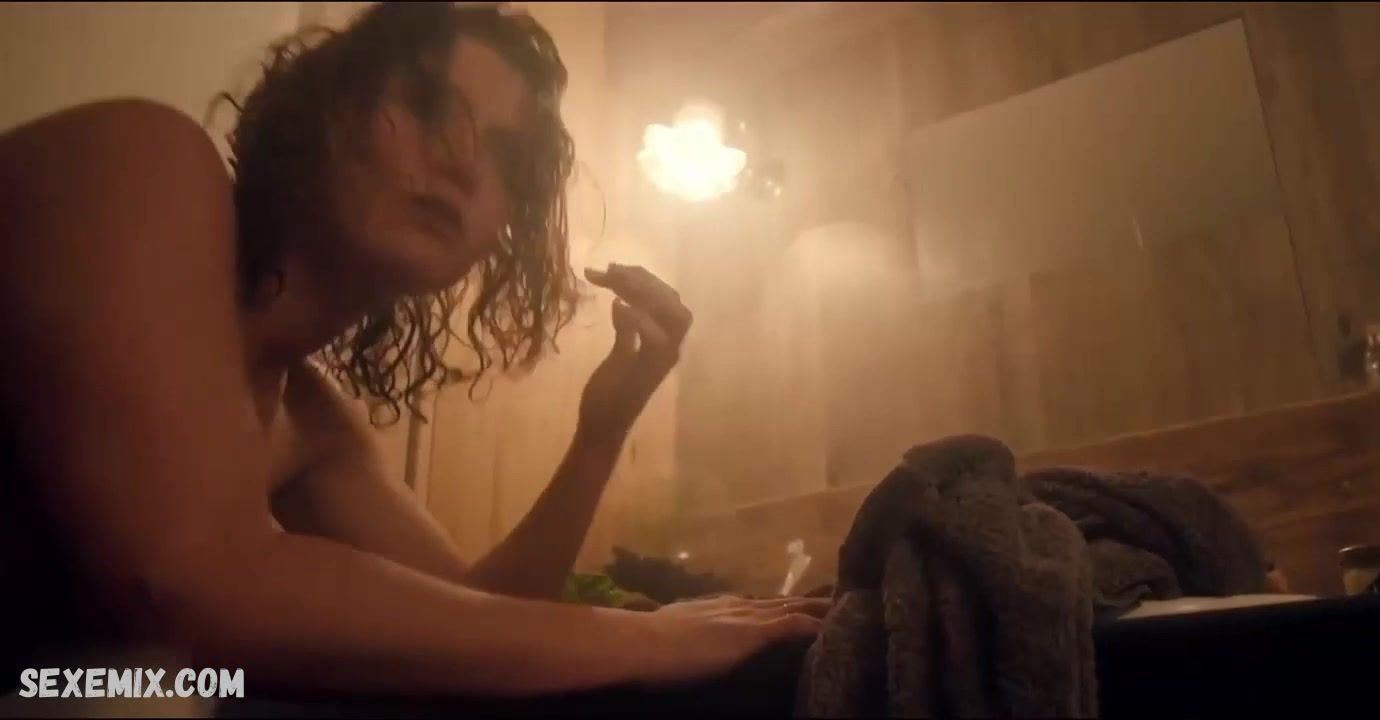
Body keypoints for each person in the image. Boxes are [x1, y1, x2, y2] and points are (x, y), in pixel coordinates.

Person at [0, 1, 826, 698]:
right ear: (325, 106)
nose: (463, 162)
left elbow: (478, 616)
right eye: (430, 105)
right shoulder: (141, 160)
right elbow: (193, 577)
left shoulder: (308, 418)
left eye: (506, 156)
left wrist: (599, 435)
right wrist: (649, 641)